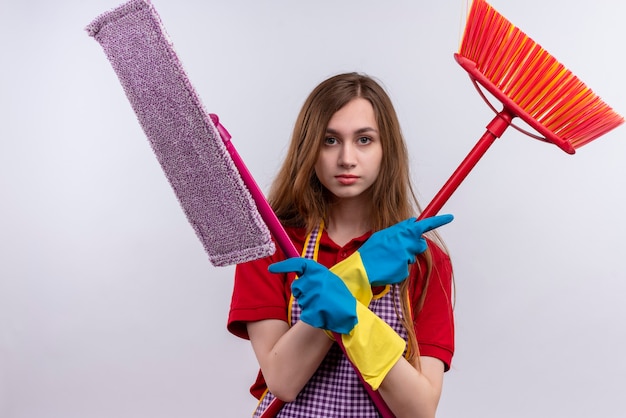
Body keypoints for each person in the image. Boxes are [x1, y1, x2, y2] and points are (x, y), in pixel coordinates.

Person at [227, 72, 455, 418]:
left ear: (386, 149)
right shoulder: (272, 247)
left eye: (364, 140)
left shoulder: (424, 261)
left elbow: (419, 410)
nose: (347, 158)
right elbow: (283, 381)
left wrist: (352, 317)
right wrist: (357, 274)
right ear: (309, 149)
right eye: (330, 140)